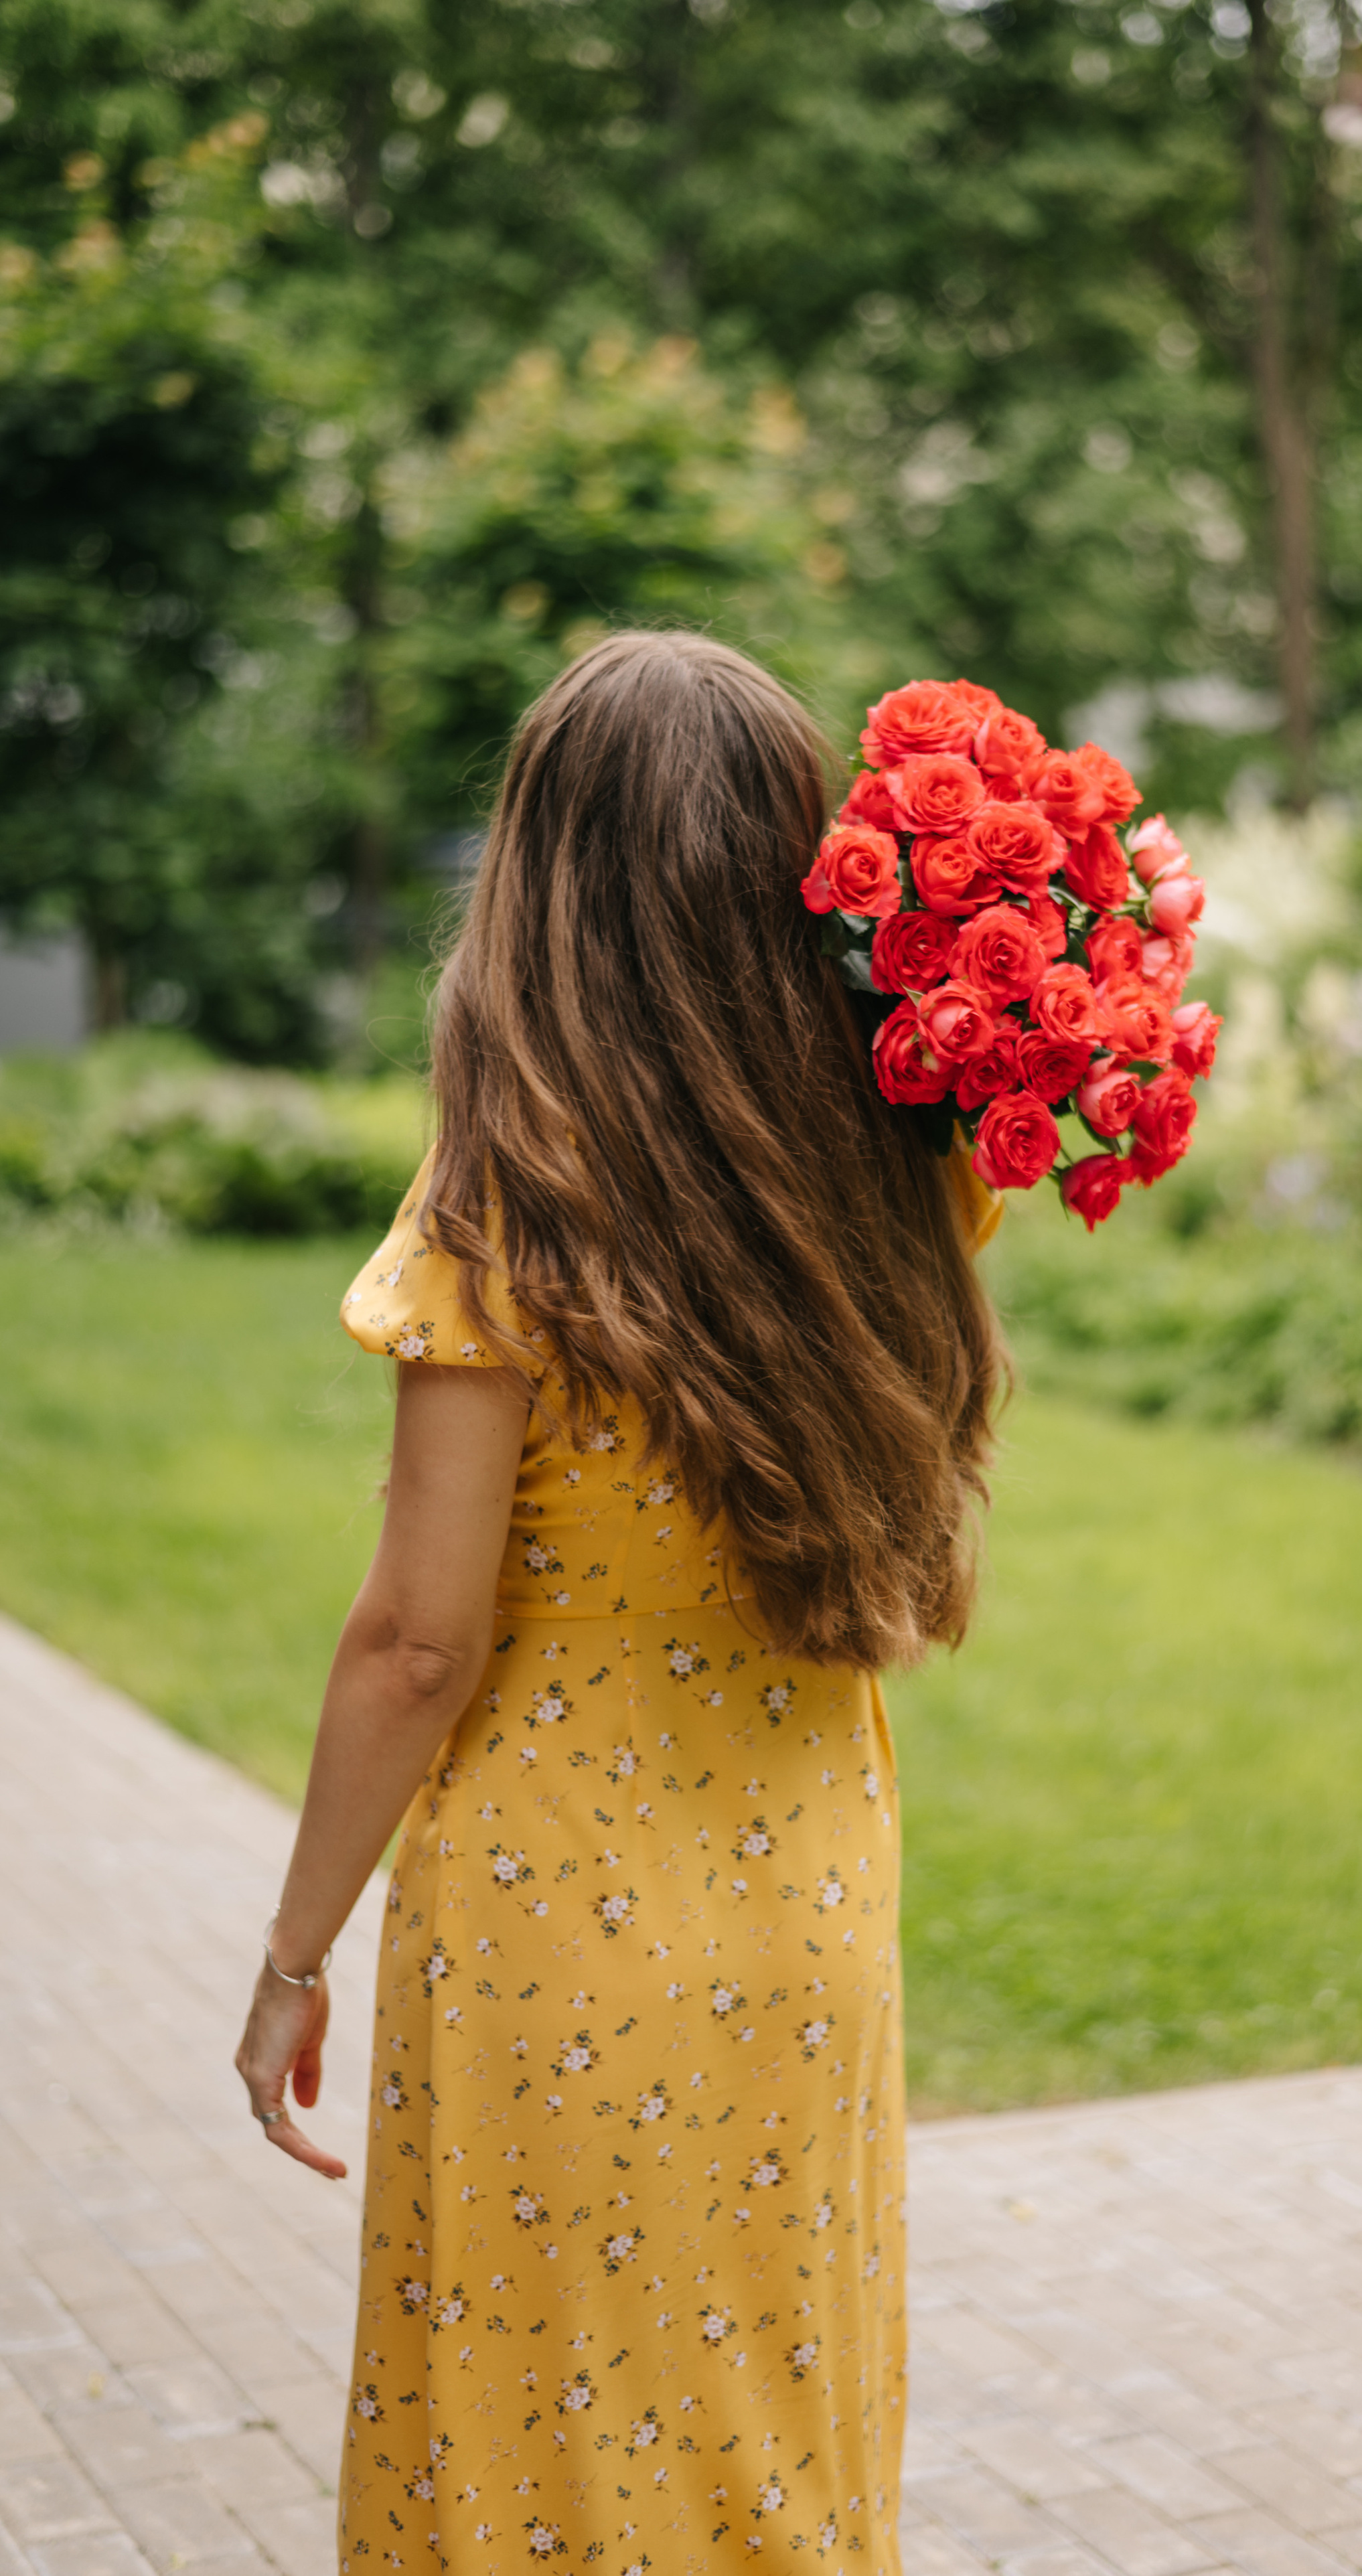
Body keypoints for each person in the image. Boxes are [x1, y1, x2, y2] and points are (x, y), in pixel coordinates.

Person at [233, 631, 1005, 2575]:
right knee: (768, 2449)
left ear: (539, 880)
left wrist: (292, 1955)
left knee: (535, 2462)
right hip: (809, 1906)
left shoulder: (504, 1218)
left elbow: (420, 1642)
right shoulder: (893, 1167)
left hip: (550, 1941)